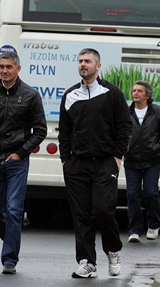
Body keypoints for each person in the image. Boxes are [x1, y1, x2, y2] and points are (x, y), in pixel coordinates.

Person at [58, 48, 132, 279]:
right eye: (80, 61)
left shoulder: (112, 93)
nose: (83, 64)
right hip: (77, 165)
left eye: (87, 61)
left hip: (105, 163)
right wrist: (65, 160)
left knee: (102, 210)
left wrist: (117, 157)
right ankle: (87, 262)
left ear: (98, 66)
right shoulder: (70, 95)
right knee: (81, 214)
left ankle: (113, 250)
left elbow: (124, 127)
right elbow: (65, 131)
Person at [0, 49, 47, 274]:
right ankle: (12, 239)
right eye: (1, 67)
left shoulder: (31, 95)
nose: (4, 71)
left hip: (16, 162)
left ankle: (10, 259)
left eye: (9, 67)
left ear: (18, 69)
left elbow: (40, 130)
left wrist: (21, 152)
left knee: (14, 210)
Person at [124, 80, 160, 243]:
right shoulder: (126, 111)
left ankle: (153, 225)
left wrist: (158, 147)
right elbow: (119, 131)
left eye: (139, 91)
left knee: (151, 192)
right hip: (131, 160)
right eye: (134, 90)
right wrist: (124, 148)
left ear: (148, 95)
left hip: (153, 160)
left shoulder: (157, 112)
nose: (135, 93)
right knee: (133, 195)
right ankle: (134, 230)